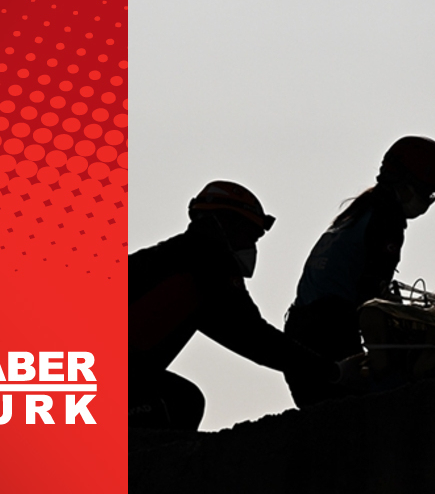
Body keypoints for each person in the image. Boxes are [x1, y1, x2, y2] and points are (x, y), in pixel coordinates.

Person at [129, 181, 340, 429]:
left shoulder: (168, 258)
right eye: (250, 236)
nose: (250, 247)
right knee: (177, 404)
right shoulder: (207, 265)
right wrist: (333, 371)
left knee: (179, 400)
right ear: (225, 223)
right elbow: (253, 337)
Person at [284, 136, 435, 407]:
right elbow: (372, 299)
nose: (429, 199)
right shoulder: (387, 220)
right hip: (328, 335)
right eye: (427, 191)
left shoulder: (358, 213)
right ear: (404, 181)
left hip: (300, 332)